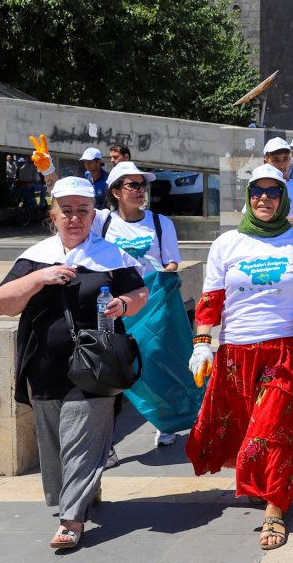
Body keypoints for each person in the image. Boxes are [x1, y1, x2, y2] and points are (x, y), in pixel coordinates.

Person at [0, 176, 149, 550]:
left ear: (93, 215)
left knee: (81, 435)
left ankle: (71, 520)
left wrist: (125, 305)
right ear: (54, 216)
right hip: (43, 367)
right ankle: (85, 490)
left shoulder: (109, 255)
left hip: (95, 366)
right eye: (67, 212)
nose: (75, 218)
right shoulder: (35, 256)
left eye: (82, 211)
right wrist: (39, 278)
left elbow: (140, 290)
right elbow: (2, 302)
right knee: (55, 445)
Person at [186, 164, 293, 551]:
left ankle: (274, 510)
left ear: (284, 197)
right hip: (236, 354)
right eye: (257, 192)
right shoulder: (227, 244)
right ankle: (268, 484)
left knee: (272, 431)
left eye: (272, 192)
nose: (264, 199)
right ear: (248, 197)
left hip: (285, 351)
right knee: (246, 431)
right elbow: (209, 302)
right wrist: (203, 343)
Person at [98, 162, 181, 447]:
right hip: (113, 307)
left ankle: (164, 422)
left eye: (142, 185)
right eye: (133, 185)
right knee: (115, 371)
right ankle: (106, 441)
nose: (140, 190)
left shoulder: (161, 223)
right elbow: (68, 207)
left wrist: (161, 269)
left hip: (151, 306)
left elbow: (172, 263)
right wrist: (49, 175)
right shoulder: (102, 222)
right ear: (116, 191)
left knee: (155, 366)